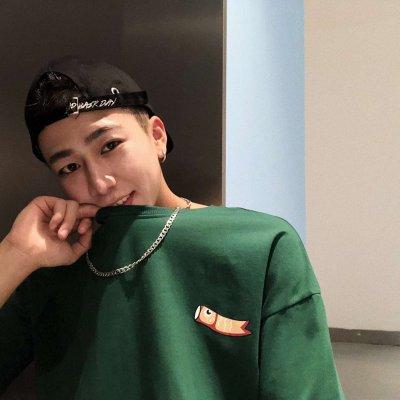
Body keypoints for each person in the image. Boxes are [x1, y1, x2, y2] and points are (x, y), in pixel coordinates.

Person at [0, 55, 346, 399]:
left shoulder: (260, 246)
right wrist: (14, 255)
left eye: (110, 146)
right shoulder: (48, 263)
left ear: (157, 136)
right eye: (70, 167)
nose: (100, 183)